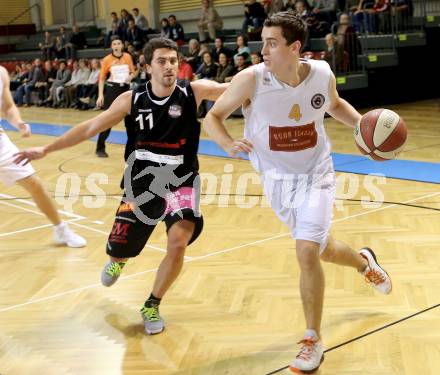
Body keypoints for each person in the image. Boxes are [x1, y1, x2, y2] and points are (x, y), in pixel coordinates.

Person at [203, 11, 392, 373]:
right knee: (322, 249)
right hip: (276, 183)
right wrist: (226, 142)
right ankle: (364, 262)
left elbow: (334, 104)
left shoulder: (320, 73)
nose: (264, 50)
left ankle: (312, 339)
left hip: (316, 174)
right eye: (263, 42)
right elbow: (213, 116)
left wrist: (365, 131)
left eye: (272, 43)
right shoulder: (250, 80)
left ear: (295, 48)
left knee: (306, 250)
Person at [14, 37, 228, 336]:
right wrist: (46, 149)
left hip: (182, 178)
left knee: (178, 243)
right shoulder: (131, 99)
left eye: (173, 60)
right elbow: (90, 127)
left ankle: (151, 304)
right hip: (141, 180)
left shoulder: (194, 90)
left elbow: (238, 89)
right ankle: (118, 260)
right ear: (147, 66)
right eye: (162, 61)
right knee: (120, 248)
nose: (169, 66)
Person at [0, 66, 86, 248]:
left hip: (1, 144)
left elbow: (8, 107)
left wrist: (19, 123)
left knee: (34, 184)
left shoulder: (1, 73)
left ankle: (61, 230)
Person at [95, 36, 135, 157]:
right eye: (114, 44)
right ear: (112, 46)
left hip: (126, 90)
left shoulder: (127, 57)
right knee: (108, 120)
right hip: (112, 90)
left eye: (119, 43)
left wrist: (131, 76)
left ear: (122, 45)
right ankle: (100, 148)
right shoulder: (107, 60)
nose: (117, 46)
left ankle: (132, 149)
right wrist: (100, 95)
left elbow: (133, 72)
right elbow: (101, 79)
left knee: (131, 121)